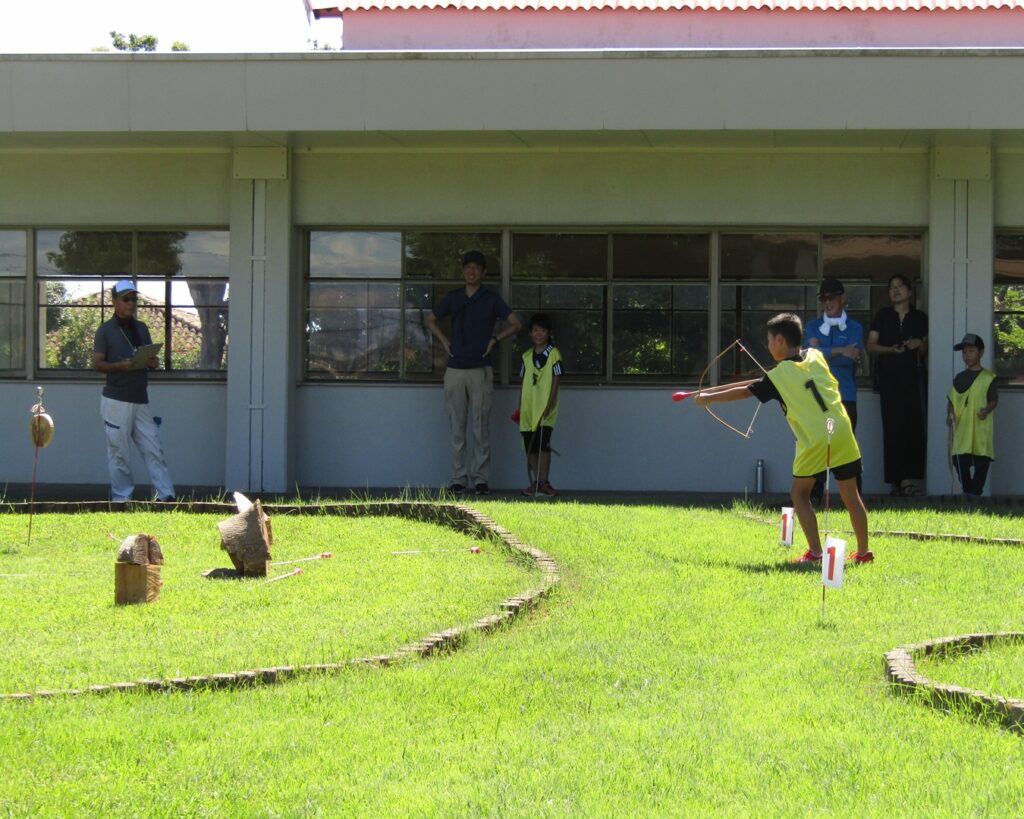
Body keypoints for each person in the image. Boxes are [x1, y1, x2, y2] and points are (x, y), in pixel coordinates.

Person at [696, 313, 873, 564]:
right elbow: (761, 383)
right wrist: (712, 392)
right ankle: (864, 553)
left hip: (814, 438)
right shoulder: (816, 356)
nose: (767, 346)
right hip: (841, 430)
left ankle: (815, 553)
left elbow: (746, 392)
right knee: (851, 495)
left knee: (799, 495)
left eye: (769, 340)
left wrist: (708, 398)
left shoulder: (778, 376)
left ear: (780, 340)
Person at [426, 250, 522, 495]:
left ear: (484, 272)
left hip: (481, 369)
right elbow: (431, 319)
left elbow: (516, 323)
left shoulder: (491, 299)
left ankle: (481, 479)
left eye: (476, 268)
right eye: (468, 267)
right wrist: (444, 342)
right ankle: (458, 478)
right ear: (463, 271)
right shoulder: (454, 297)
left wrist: (495, 339)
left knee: (480, 427)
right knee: (457, 426)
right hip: (455, 369)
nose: (472, 271)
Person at [92, 280, 176, 503]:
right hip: (116, 400)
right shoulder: (105, 330)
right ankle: (122, 499)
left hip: (140, 399)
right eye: (126, 299)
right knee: (119, 453)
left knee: (153, 447)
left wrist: (152, 362)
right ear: (115, 302)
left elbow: (149, 359)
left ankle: (166, 496)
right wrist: (121, 366)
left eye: (134, 299)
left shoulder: (142, 328)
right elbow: (97, 364)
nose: (131, 304)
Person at [866, 273, 929, 496]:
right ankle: (901, 481)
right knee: (892, 428)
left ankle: (905, 480)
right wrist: (892, 349)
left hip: (914, 380)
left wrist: (917, 343)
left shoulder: (920, 317)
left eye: (900, 286)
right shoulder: (883, 316)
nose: (895, 290)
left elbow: (925, 348)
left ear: (910, 291)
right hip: (889, 379)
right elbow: (871, 345)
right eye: (891, 287)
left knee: (913, 427)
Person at [804, 277, 864, 501]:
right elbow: (809, 356)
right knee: (818, 443)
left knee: (847, 444)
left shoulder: (855, 327)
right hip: (817, 395)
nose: (827, 303)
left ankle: (855, 496)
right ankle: (814, 495)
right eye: (823, 299)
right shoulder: (811, 326)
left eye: (832, 298)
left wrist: (825, 350)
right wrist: (839, 350)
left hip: (845, 393)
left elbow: (852, 358)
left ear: (843, 298)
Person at [516, 313, 563, 498]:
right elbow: (523, 383)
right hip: (528, 410)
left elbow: (556, 379)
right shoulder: (526, 356)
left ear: (549, 333)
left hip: (545, 410)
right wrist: (520, 407)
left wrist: (549, 404)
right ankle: (536, 482)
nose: (539, 334)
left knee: (543, 446)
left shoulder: (554, 354)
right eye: (535, 330)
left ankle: (544, 482)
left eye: (542, 330)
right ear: (530, 333)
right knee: (530, 448)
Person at [946, 333, 998, 499]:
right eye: (964, 352)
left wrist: (986, 410)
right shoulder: (959, 378)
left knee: (982, 463)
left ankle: (975, 493)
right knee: (959, 461)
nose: (967, 355)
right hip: (963, 429)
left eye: (971, 351)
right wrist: (950, 414)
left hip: (981, 430)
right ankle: (968, 492)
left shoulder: (988, 378)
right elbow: (951, 401)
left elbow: (994, 400)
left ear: (981, 352)